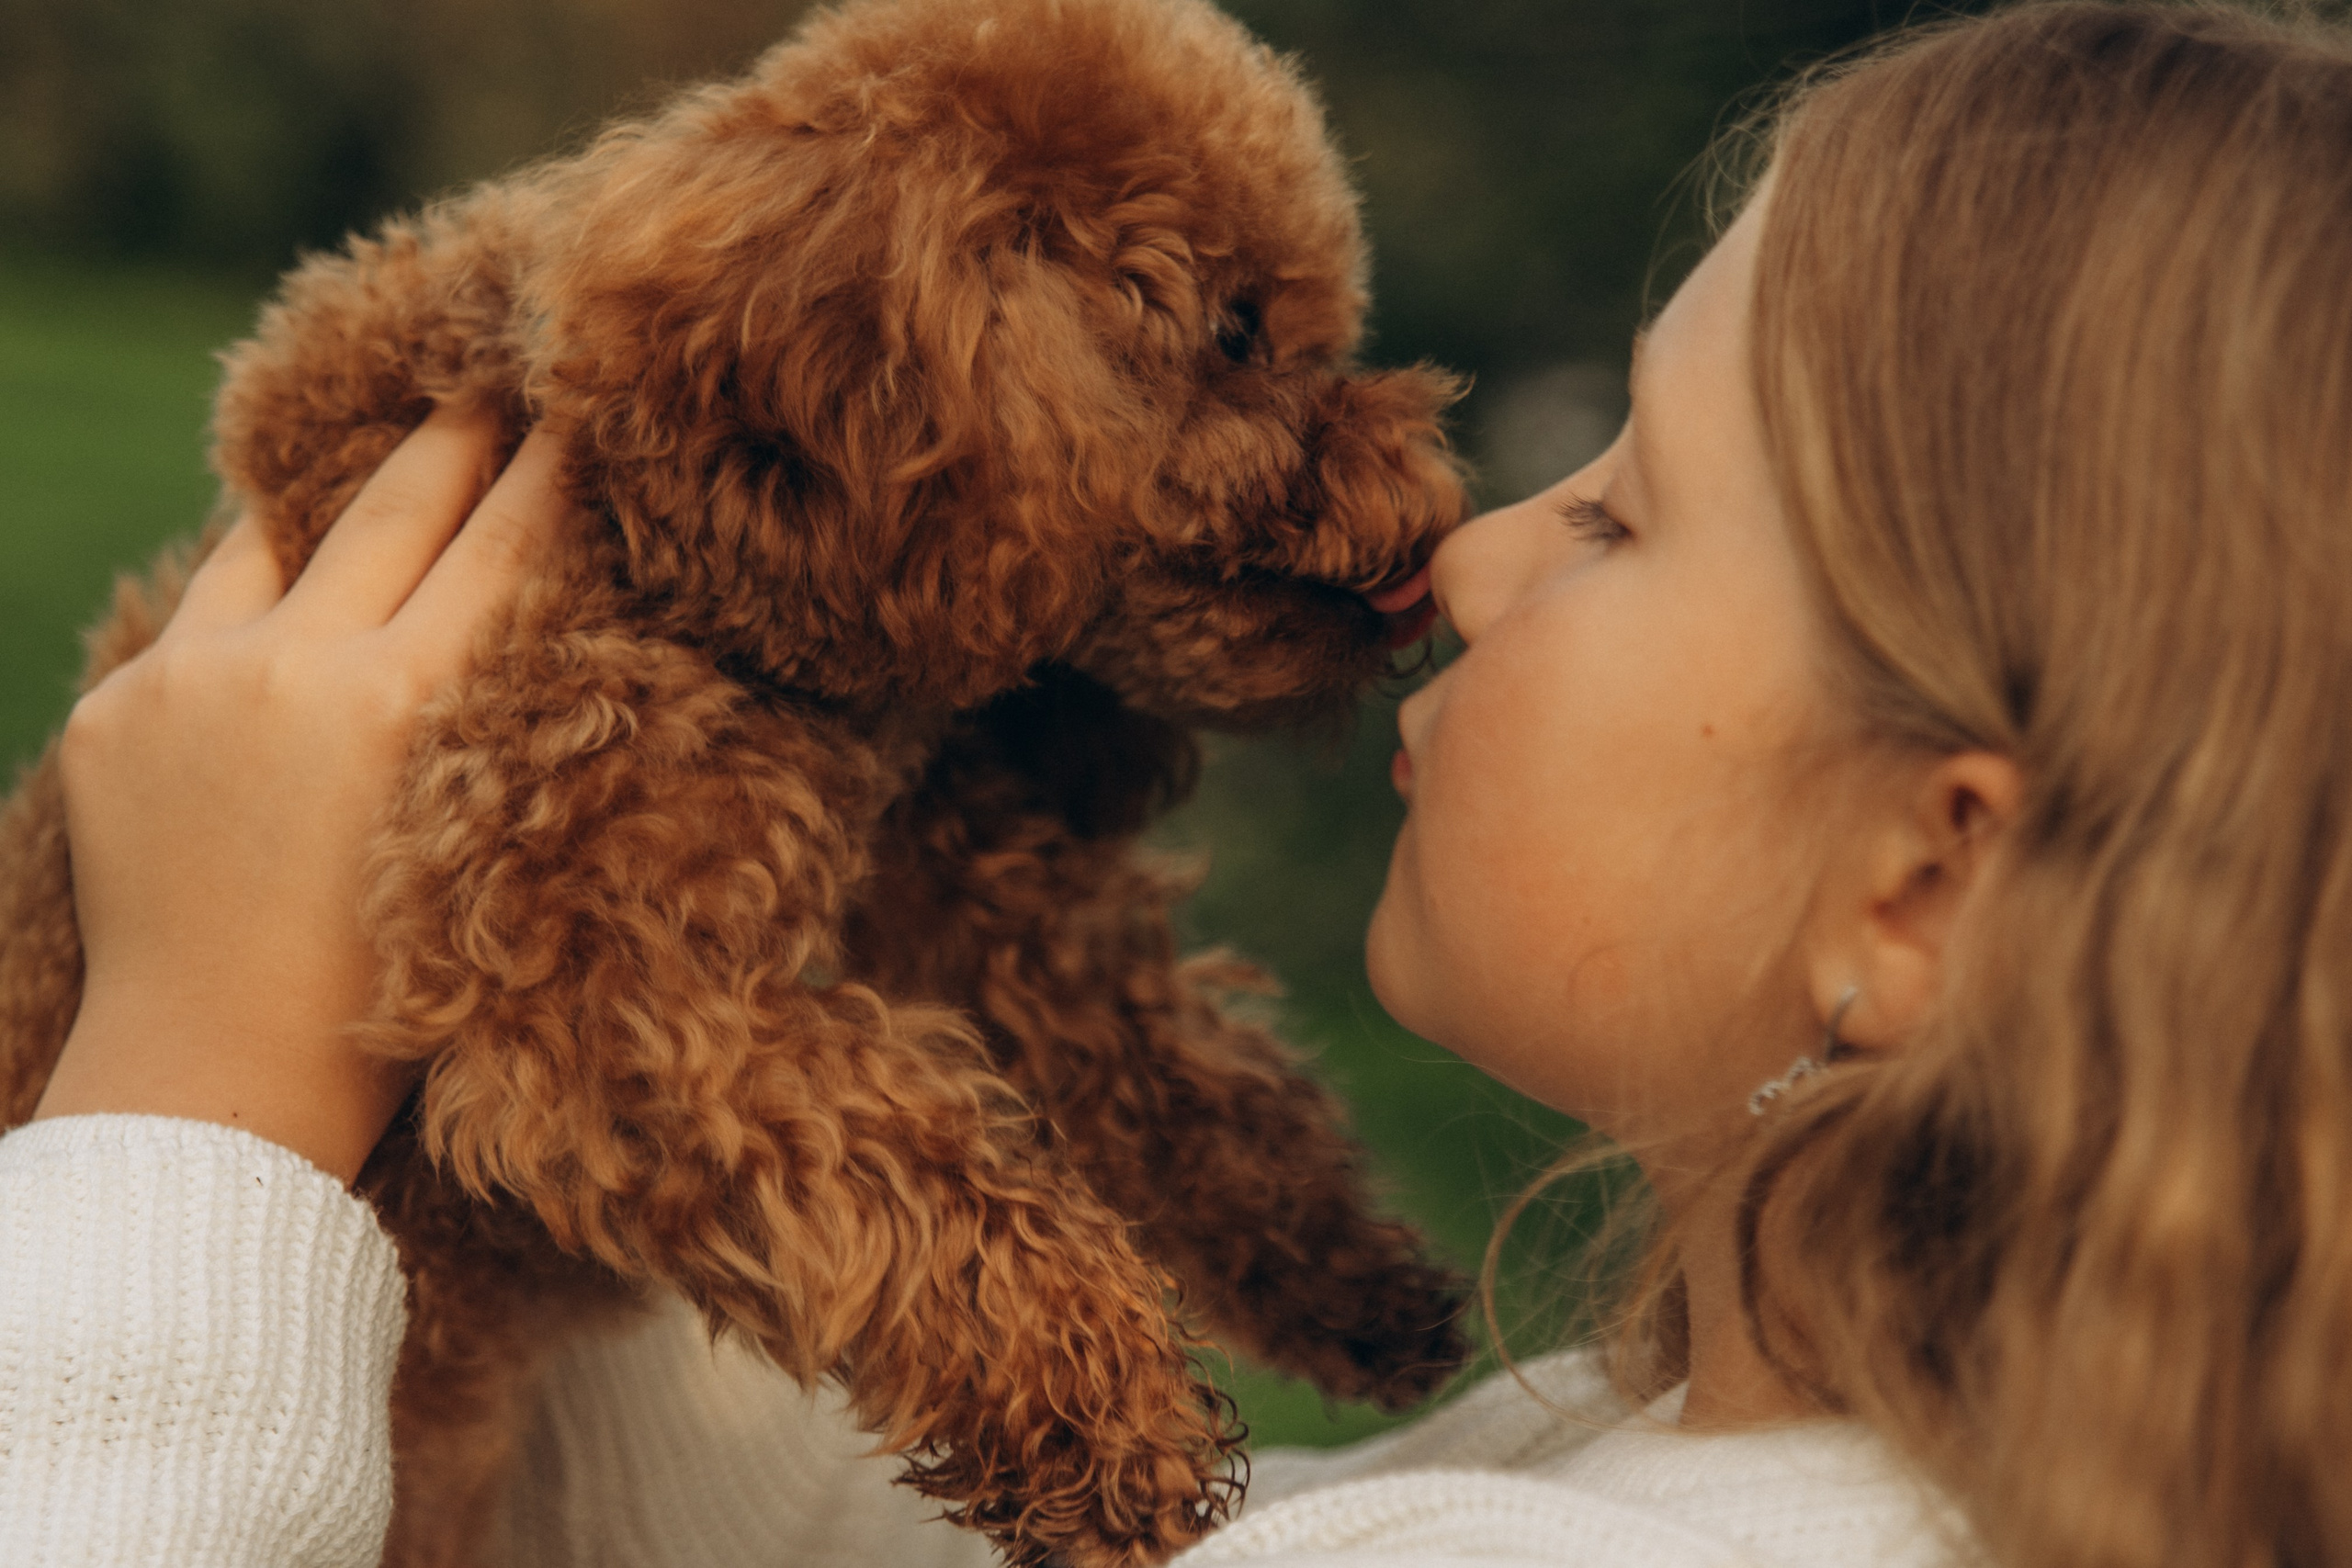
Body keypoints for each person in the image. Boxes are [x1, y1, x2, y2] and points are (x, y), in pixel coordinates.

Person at [6, 1, 2351, 1563]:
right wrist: (461, 1244)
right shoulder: (1680, 1464)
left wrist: (191, 1106)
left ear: (1928, 885)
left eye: (1621, 509)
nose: (1454, 544)